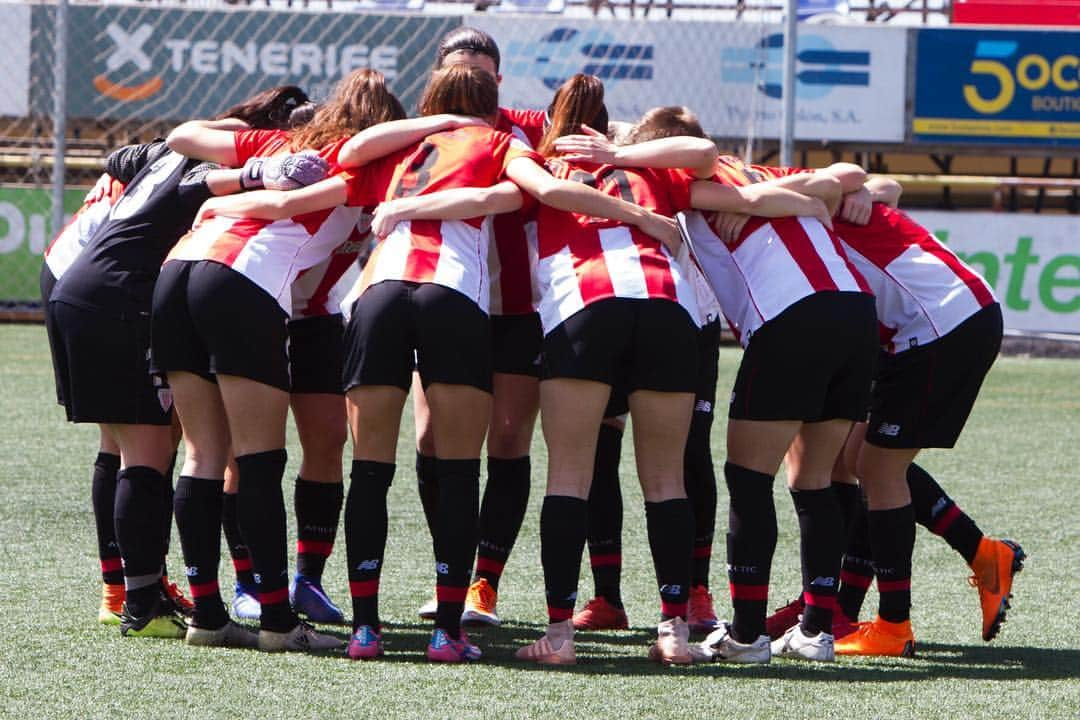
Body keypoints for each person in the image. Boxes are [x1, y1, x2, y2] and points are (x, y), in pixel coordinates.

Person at [192, 64, 686, 662]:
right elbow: (516, 194)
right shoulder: (501, 142)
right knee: (457, 470)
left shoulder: (393, 150)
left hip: (376, 298)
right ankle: (448, 630)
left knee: (371, 470)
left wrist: (217, 208)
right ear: (493, 103)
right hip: (453, 298)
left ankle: (366, 631)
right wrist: (640, 215)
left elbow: (303, 197)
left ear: (427, 104)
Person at [506, 84, 841, 666]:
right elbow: (705, 154)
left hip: (585, 305)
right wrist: (633, 181)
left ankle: (559, 636)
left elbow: (539, 193)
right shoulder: (656, 171)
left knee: (569, 476)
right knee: (666, 480)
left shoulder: (534, 158)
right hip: (668, 308)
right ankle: (674, 631)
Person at [154, 69, 419, 651]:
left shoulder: (276, 143)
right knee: (259, 458)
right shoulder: (363, 165)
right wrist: (455, 120)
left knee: (201, 452)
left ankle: (207, 615)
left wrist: (242, 182)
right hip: (239, 282)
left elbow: (186, 137)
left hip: (176, 273)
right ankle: (277, 621)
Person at [44, 84, 315, 639]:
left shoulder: (177, 145)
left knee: (121, 447)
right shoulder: (223, 151)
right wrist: (261, 174)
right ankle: (142, 604)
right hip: (123, 293)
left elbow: (124, 158)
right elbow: (204, 184)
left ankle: (127, 590)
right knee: (146, 450)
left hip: (80, 281)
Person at [412, 27, 548, 626]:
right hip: (443, 297)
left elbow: (608, 139)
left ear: (498, 79)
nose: (470, 84)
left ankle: (483, 584)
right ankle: (449, 569)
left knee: (509, 440)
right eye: (458, 72)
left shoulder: (531, 128)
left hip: (517, 307)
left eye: (482, 75)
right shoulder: (420, 131)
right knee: (431, 441)